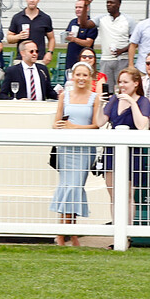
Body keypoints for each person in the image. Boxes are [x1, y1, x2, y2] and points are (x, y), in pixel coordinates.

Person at [50, 61, 101, 246]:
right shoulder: (65, 96)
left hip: (84, 150)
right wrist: (60, 125)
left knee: (76, 187)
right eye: (78, 75)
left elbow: (96, 124)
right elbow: (55, 122)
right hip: (66, 149)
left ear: (90, 77)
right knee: (66, 186)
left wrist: (75, 127)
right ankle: (64, 234)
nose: (81, 78)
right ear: (73, 77)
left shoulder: (94, 98)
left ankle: (70, 233)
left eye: (84, 75)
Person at [96, 67, 150, 224]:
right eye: (120, 82)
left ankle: (126, 233)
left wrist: (132, 103)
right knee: (113, 194)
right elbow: (100, 121)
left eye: (125, 82)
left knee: (127, 195)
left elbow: (141, 125)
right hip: (112, 150)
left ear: (135, 83)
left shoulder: (143, 102)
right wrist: (100, 105)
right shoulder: (114, 99)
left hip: (132, 153)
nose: (122, 85)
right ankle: (116, 231)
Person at [77, 0, 136, 83]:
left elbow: (134, 43)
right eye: (107, 2)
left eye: (112, 3)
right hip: (106, 60)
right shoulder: (101, 18)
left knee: (121, 87)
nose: (108, 4)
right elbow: (83, 24)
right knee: (106, 88)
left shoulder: (128, 20)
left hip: (122, 59)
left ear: (119, 4)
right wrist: (85, 6)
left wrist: (122, 50)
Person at [6, 0, 55, 65]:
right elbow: (9, 38)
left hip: (39, 59)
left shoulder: (45, 18)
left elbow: (51, 38)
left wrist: (50, 52)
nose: (32, 0)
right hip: (21, 59)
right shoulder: (17, 17)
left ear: (38, 0)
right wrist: (18, 36)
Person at [64, 0, 98, 70]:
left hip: (85, 60)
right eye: (76, 7)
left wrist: (74, 39)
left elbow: (88, 43)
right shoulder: (73, 22)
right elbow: (67, 37)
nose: (78, 9)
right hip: (71, 61)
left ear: (87, 9)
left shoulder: (91, 24)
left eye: (80, 7)